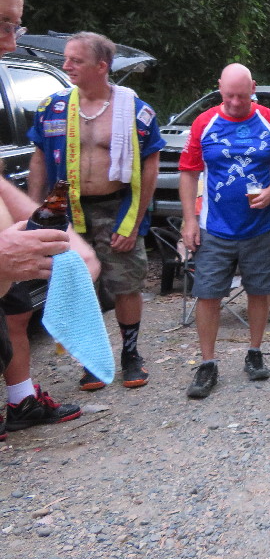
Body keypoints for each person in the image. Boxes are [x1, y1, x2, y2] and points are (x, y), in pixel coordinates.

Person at [28, 31, 164, 391]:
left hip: (116, 207)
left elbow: (150, 165)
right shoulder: (53, 107)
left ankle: (130, 354)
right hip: (66, 212)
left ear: (102, 66)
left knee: (126, 284)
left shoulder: (135, 111)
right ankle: (92, 358)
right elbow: (39, 158)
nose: (66, 65)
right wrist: (34, 210)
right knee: (78, 285)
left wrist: (134, 221)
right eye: (66, 58)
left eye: (76, 60)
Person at [0, 0, 101, 438]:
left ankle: (21, 400)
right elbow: (38, 156)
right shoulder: (51, 104)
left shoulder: (128, 107)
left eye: (15, 26)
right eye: (2, 24)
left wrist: (60, 234)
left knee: (16, 314)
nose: (10, 42)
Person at [179, 63, 270, 399]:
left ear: (253, 89)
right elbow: (188, 172)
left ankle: (255, 352)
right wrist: (189, 220)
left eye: (241, 96)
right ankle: (207, 363)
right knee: (208, 293)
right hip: (215, 226)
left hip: (261, 226)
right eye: (228, 95)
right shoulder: (204, 123)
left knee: (259, 291)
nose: (234, 102)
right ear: (219, 87)